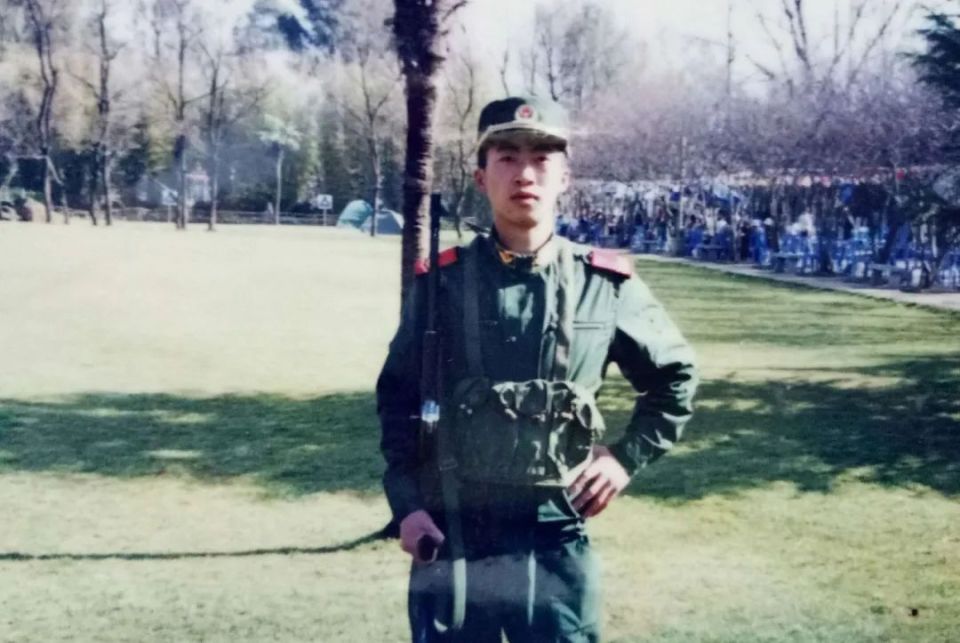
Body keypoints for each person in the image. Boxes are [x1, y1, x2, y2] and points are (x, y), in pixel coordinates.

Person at [377, 96, 698, 642]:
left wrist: (624, 460)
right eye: (506, 157)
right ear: (481, 178)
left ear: (564, 177)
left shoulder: (604, 284)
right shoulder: (443, 283)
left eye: (542, 158)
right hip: (455, 529)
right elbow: (399, 398)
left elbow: (675, 378)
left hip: (555, 534)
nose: (524, 174)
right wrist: (407, 508)